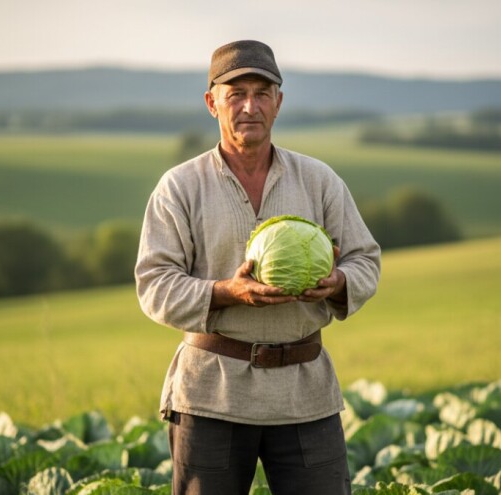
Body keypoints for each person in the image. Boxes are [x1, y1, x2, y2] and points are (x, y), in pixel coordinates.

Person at [135, 39, 381, 495]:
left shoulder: (319, 180)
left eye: (262, 93)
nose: (250, 107)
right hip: (212, 396)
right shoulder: (179, 187)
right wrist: (227, 292)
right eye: (236, 94)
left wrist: (338, 282)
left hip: (305, 394)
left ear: (278, 102)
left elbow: (365, 258)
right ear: (212, 103)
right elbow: (154, 284)